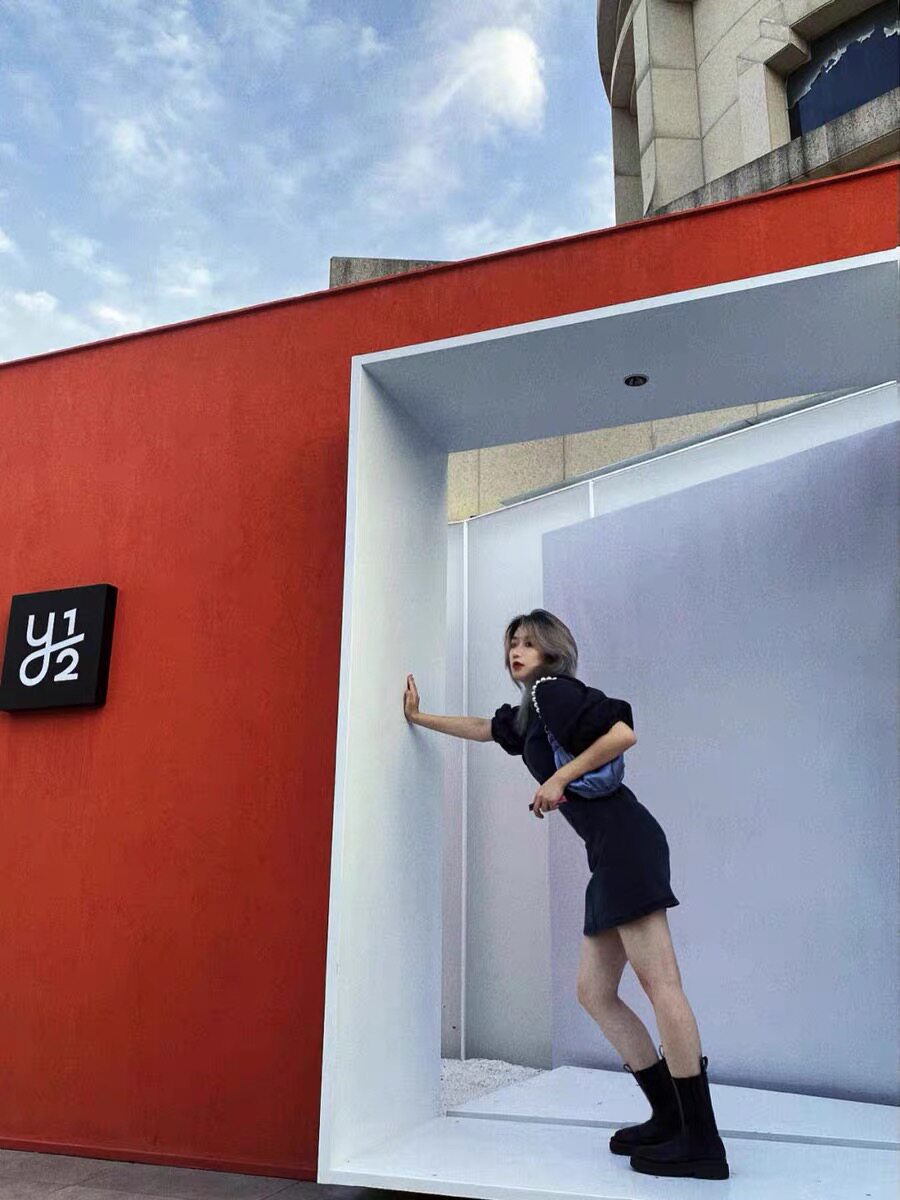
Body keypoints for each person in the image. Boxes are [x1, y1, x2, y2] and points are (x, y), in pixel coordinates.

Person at [403, 608, 729, 1181]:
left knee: (661, 986)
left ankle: (701, 1140)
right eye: (512, 642)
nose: (516, 651)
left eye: (529, 643)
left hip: (626, 845)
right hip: (611, 852)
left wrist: (558, 778)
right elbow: (484, 728)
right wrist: (418, 717)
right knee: (594, 992)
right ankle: (670, 1117)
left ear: (552, 651)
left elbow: (622, 732)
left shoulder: (553, 690)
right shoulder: (531, 711)